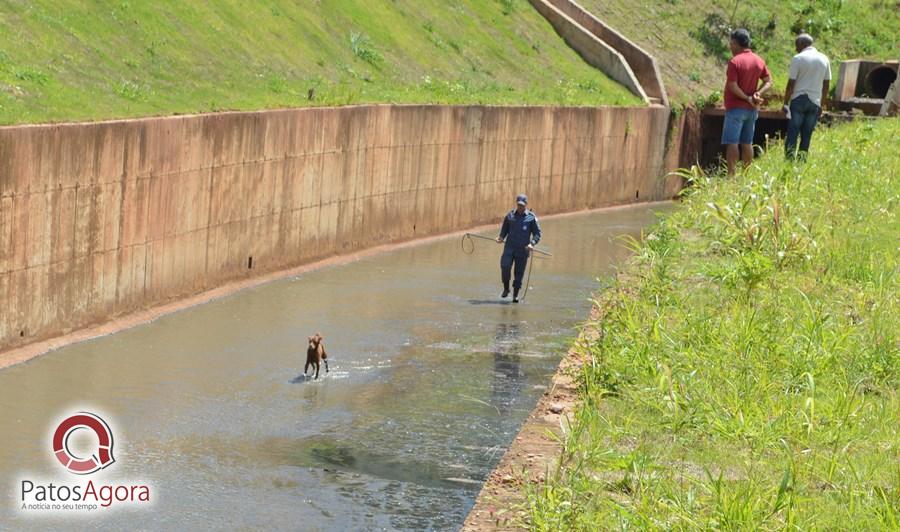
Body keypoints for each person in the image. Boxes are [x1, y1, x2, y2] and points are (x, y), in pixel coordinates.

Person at [722, 28, 772, 176]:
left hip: (735, 108)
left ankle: (731, 176)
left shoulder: (735, 61)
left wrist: (746, 97)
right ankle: (746, 176)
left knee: (732, 142)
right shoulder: (758, 60)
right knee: (747, 143)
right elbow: (768, 81)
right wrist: (757, 93)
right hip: (752, 110)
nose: (730, 47)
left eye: (731, 43)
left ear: (736, 44)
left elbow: (732, 85)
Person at [782, 33, 831, 160]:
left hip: (798, 99)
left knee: (793, 132)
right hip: (815, 101)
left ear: (802, 45)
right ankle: (801, 161)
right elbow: (826, 85)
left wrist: (785, 103)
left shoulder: (798, 58)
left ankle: (789, 160)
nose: (796, 49)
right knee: (807, 134)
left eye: (796, 46)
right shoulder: (824, 59)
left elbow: (791, 83)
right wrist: (822, 103)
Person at [495, 194, 541, 303]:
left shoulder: (531, 217)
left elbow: (537, 234)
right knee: (505, 266)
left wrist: (532, 243)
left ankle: (515, 296)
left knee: (518, 274)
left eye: (522, 205)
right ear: (517, 204)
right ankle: (506, 289)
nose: (520, 207)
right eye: (519, 205)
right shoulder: (510, 216)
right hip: (509, 248)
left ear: (526, 205)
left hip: (523, 250)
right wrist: (501, 237)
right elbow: (504, 229)